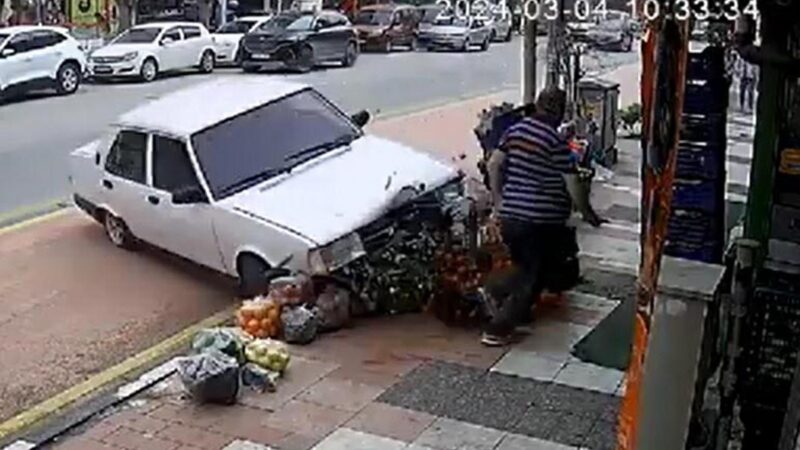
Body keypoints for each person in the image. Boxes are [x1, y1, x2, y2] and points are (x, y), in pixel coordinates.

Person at [480, 86, 577, 346]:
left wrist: (499, 201)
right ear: (559, 111)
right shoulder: (555, 141)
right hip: (540, 220)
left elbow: (494, 164)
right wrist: (587, 213)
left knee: (526, 265)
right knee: (531, 273)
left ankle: (514, 309)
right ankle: (498, 327)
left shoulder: (516, 131)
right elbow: (572, 183)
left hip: (512, 215)